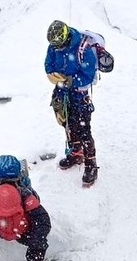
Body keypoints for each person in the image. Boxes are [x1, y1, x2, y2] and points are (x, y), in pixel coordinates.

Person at [45, 20, 99, 187]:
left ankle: (91, 164)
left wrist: (71, 81)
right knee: (67, 123)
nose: (57, 49)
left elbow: (89, 75)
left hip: (79, 94)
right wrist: (52, 74)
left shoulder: (83, 48)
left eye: (59, 46)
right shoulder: (54, 46)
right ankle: (76, 152)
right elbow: (48, 63)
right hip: (62, 91)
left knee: (84, 129)